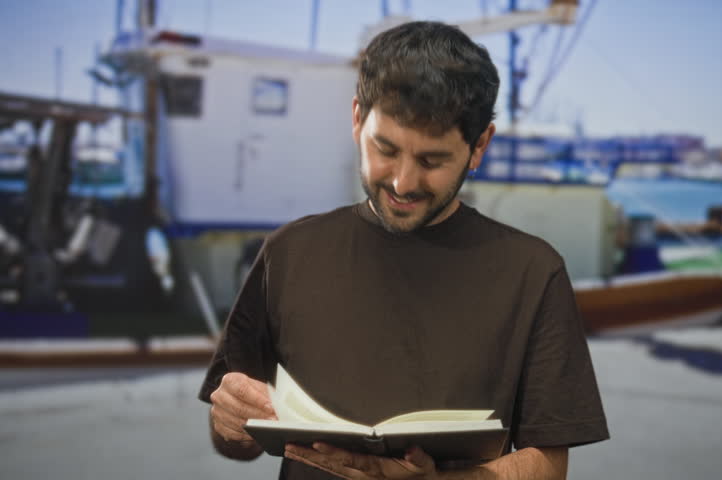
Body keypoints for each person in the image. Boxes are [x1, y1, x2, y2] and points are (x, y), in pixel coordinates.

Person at [199, 21, 609, 480]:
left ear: (479, 147)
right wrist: (230, 423)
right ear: (357, 118)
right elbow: (233, 443)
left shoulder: (534, 271)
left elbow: (549, 464)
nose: (402, 182)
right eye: (385, 149)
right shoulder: (289, 252)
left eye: (431, 161)